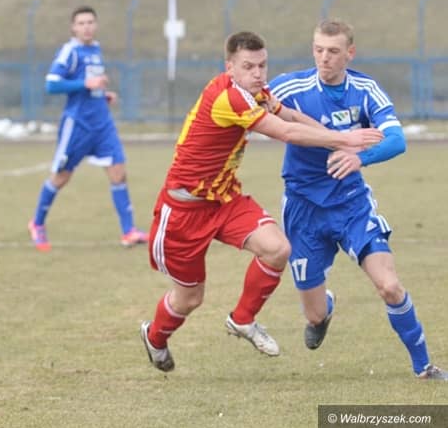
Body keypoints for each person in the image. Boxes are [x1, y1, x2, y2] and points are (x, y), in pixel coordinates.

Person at [139, 31, 385, 372]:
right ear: (230, 67)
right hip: (184, 210)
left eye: (262, 65)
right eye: (248, 66)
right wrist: (344, 138)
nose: (257, 73)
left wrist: (342, 141)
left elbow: (291, 118)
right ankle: (155, 337)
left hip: (224, 200)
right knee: (190, 298)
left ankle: (242, 319)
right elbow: (285, 133)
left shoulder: (257, 92)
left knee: (277, 249)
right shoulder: (229, 97)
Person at [269, 19, 447, 380]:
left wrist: (359, 158)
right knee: (314, 315)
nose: (324, 58)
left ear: (350, 53)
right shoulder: (291, 86)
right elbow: (248, 102)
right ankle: (324, 308)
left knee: (389, 285)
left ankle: (424, 367)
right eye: (319, 50)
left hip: (351, 204)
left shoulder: (365, 90)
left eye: (333, 51)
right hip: (303, 210)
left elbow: (396, 140)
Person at [28, 5, 147, 251]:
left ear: (96, 25)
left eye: (90, 22)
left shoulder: (95, 49)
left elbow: (91, 85)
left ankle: (128, 232)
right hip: (78, 125)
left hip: (102, 124)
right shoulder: (70, 51)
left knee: (118, 172)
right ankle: (37, 223)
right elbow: (52, 84)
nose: (86, 27)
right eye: (81, 23)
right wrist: (86, 83)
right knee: (61, 177)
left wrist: (102, 94)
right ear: (73, 28)